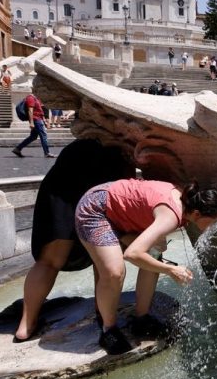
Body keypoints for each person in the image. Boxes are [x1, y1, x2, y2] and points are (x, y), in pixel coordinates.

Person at [75, 179, 217, 354]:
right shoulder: (172, 216)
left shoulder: (188, 202)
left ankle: (141, 318)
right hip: (95, 209)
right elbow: (132, 254)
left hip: (117, 212)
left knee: (155, 251)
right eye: (214, 221)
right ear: (196, 214)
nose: (216, 226)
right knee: (114, 272)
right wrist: (170, 269)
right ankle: (108, 330)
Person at [13, 139, 135, 342]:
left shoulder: (88, 134)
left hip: (69, 171)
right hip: (109, 172)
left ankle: (26, 324)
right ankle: (104, 314)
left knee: (50, 261)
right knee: (105, 256)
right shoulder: (122, 147)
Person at [11, 91, 56, 158]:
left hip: (38, 119)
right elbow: (30, 110)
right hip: (36, 120)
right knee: (43, 135)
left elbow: (39, 110)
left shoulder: (35, 98)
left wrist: (44, 120)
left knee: (33, 136)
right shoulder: (30, 98)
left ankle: (18, 149)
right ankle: (47, 153)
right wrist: (31, 122)